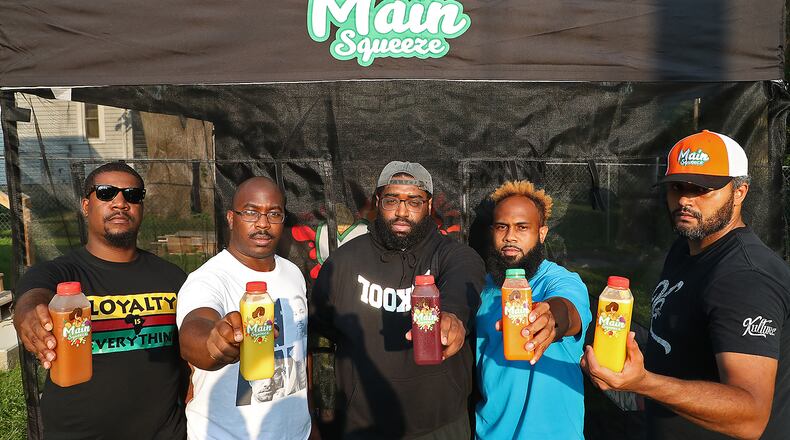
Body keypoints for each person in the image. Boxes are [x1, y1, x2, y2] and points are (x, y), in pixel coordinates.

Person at [582, 130, 790, 439]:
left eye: (701, 189)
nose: (684, 200)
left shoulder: (746, 278)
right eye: (676, 187)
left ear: (740, 191)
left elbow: (750, 416)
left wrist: (642, 382)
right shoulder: (687, 247)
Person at [310, 161, 486, 439]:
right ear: (378, 202)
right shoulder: (343, 262)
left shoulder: (451, 254)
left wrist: (452, 316)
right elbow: (320, 340)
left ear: (429, 207)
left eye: (414, 201)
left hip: (440, 426)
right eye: (392, 200)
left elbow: (466, 276)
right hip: (362, 425)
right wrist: (323, 407)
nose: (402, 211)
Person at [12, 161, 188, 439]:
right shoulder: (61, 273)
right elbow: (33, 294)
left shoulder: (173, 278)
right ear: (85, 205)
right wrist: (31, 312)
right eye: (106, 193)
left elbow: (187, 360)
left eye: (132, 195)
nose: (120, 203)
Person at [177, 177, 314, 440]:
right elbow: (195, 330)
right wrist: (216, 343)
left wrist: (309, 417)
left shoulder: (292, 273)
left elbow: (300, 350)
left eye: (274, 214)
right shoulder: (208, 279)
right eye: (251, 212)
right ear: (231, 218)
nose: (263, 223)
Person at [474, 180, 591, 439]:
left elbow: (567, 311)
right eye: (502, 227)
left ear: (542, 233)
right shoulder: (481, 287)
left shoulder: (560, 280)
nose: (510, 236)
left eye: (522, 227)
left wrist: (550, 319)